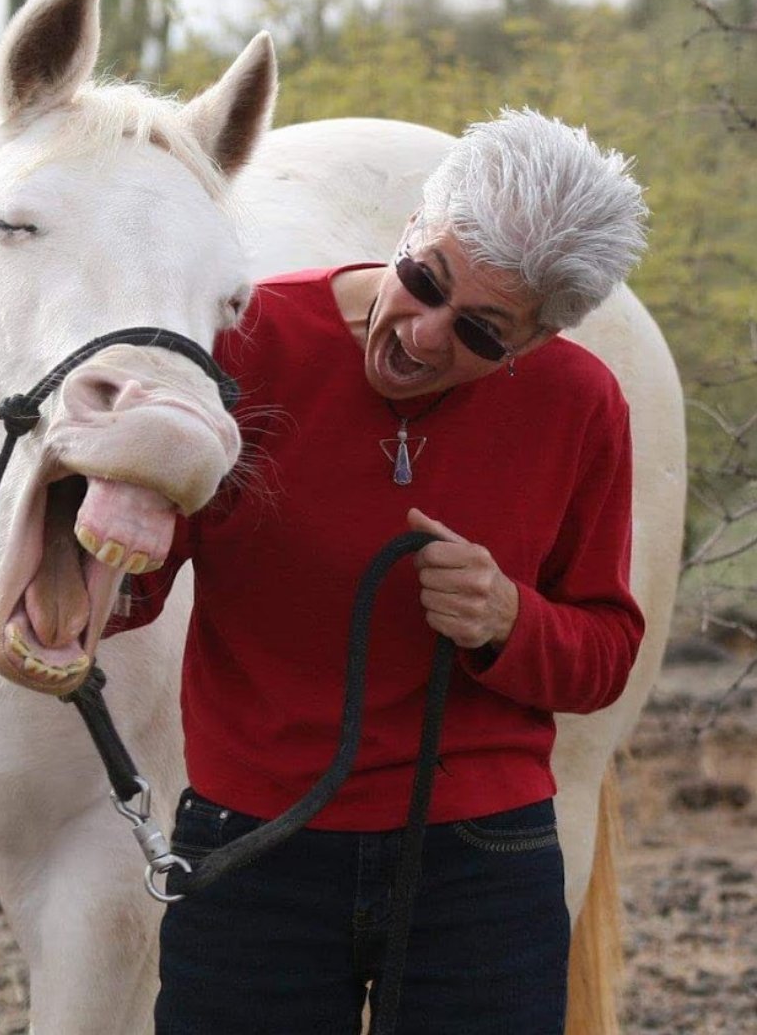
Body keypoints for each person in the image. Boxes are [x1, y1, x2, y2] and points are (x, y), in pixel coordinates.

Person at [109, 107, 648, 1034]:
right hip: (253, 846)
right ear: (408, 230)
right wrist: (94, 524)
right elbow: (126, 591)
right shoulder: (246, 341)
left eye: (482, 332)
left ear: (535, 344)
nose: (426, 334)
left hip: (482, 866)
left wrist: (509, 620)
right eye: (424, 280)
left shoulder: (581, 405)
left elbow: (604, 656)